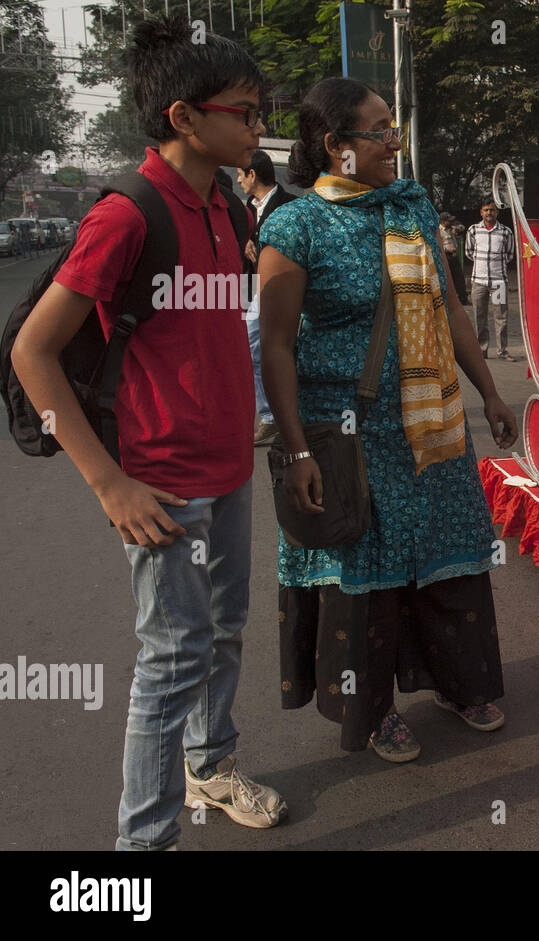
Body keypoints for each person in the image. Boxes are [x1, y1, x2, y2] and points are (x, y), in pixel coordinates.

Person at [11, 14, 284, 850]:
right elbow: (32, 351)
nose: (258, 125)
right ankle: (143, 847)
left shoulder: (227, 208)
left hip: (230, 468)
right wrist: (108, 482)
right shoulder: (126, 215)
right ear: (184, 117)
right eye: (244, 111)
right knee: (171, 661)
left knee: (225, 630)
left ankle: (211, 761)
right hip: (160, 483)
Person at [258, 77, 518, 762]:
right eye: (379, 131)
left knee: (446, 554)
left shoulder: (411, 207)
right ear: (335, 146)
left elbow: (453, 311)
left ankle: (459, 683)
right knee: (367, 570)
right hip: (348, 436)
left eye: (392, 127)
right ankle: (372, 711)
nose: (393, 142)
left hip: (430, 429)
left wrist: (490, 394)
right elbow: (276, 344)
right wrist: (296, 451)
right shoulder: (295, 225)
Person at [237, 149, 296, 446]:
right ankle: (272, 415)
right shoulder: (247, 209)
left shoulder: (290, 206)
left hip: (282, 287)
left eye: (240, 174)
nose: (238, 180)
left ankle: (274, 417)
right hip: (255, 287)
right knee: (257, 347)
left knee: (258, 344)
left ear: (252, 175)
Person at [466, 198, 516, 361]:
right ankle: (482, 350)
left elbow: (509, 255)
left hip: (498, 282)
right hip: (479, 282)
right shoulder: (473, 230)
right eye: (486, 210)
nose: (489, 213)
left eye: (492, 210)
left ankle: (502, 351)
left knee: (501, 316)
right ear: (481, 212)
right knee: (479, 316)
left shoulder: (506, 232)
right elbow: (469, 252)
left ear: (497, 212)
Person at [437, 214, 469, 303]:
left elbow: (462, 228)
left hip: (454, 256)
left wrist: (455, 230)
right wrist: (447, 249)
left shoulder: (451, 229)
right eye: (448, 220)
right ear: (443, 221)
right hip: (446, 257)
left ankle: (463, 299)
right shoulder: (438, 231)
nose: (450, 222)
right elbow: (438, 245)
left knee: (459, 278)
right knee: (448, 279)